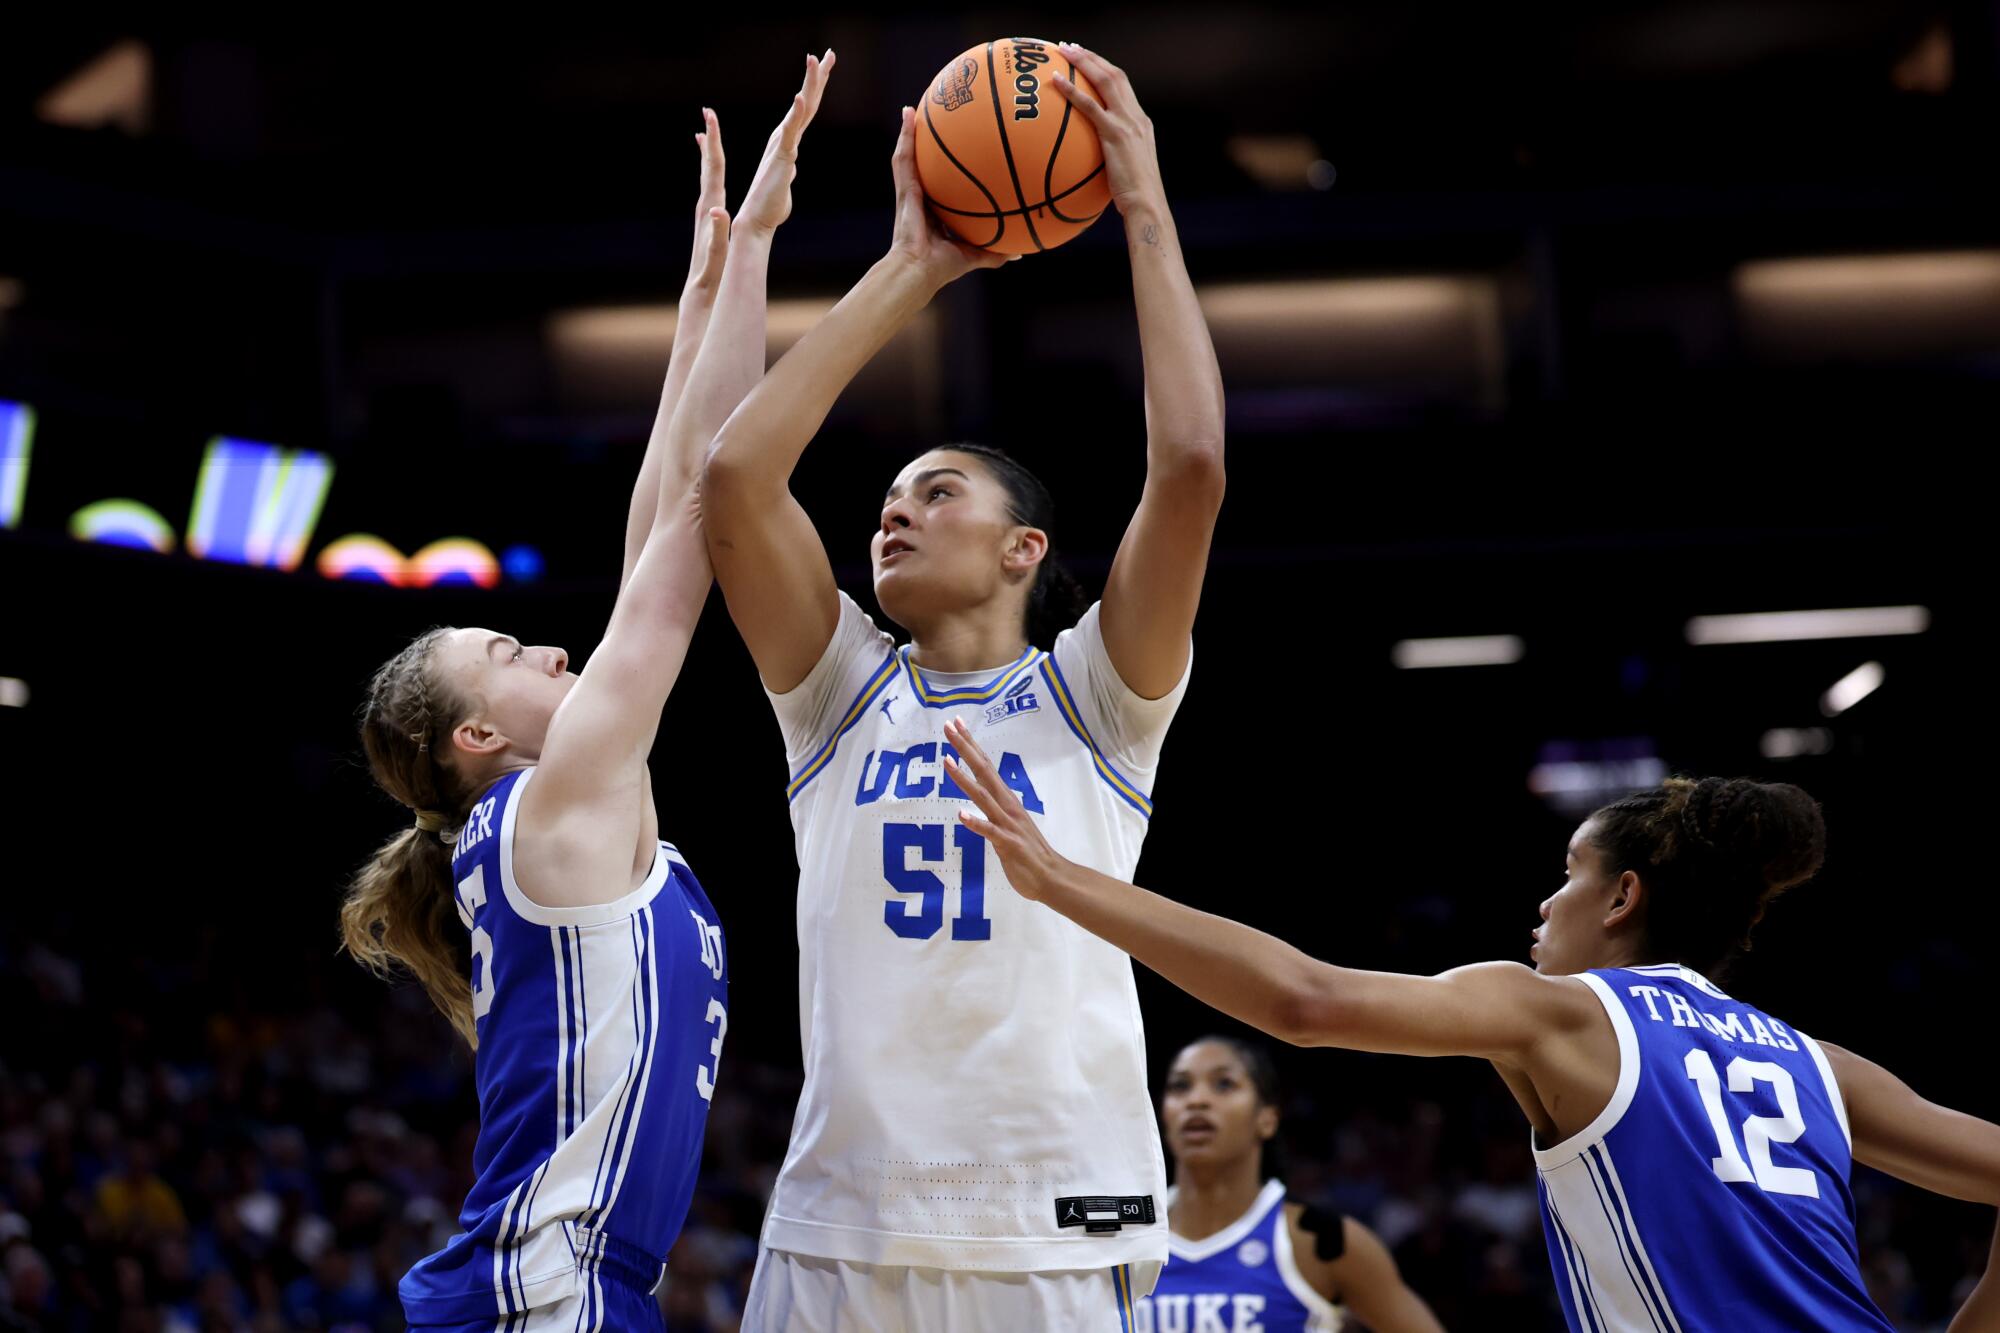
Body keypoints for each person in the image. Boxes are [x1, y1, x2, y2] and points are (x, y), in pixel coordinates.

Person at [699, 42, 1227, 1330]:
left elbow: (1193, 466)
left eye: (937, 491)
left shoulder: (1099, 700)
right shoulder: (833, 694)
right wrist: (913, 267)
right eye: (887, 496)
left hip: (1056, 1225)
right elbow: (734, 480)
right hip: (841, 1223)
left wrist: (1144, 208)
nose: (894, 512)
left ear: (1022, 549)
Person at [943, 720, 2000, 1332]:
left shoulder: (1562, 1010)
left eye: (1566, 877)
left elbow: (1302, 1000)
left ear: (1622, 896)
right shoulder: (1821, 1064)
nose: (1544, 906)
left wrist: (1060, 879)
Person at [337, 57, 834, 1330]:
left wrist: (705, 288)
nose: (552, 651)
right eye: (509, 655)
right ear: (479, 736)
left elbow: (661, 514)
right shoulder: (551, 808)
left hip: (573, 1291)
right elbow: (692, 517)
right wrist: (763, 251)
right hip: (537, 1297)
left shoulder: (570, 806)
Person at [1143, 1035, 1445, 1333]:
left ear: (1267, 1118)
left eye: (1224, 1084)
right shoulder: (1129, 1238)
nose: (1196, 1100)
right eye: (1180, 1086)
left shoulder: (1320, 1241)